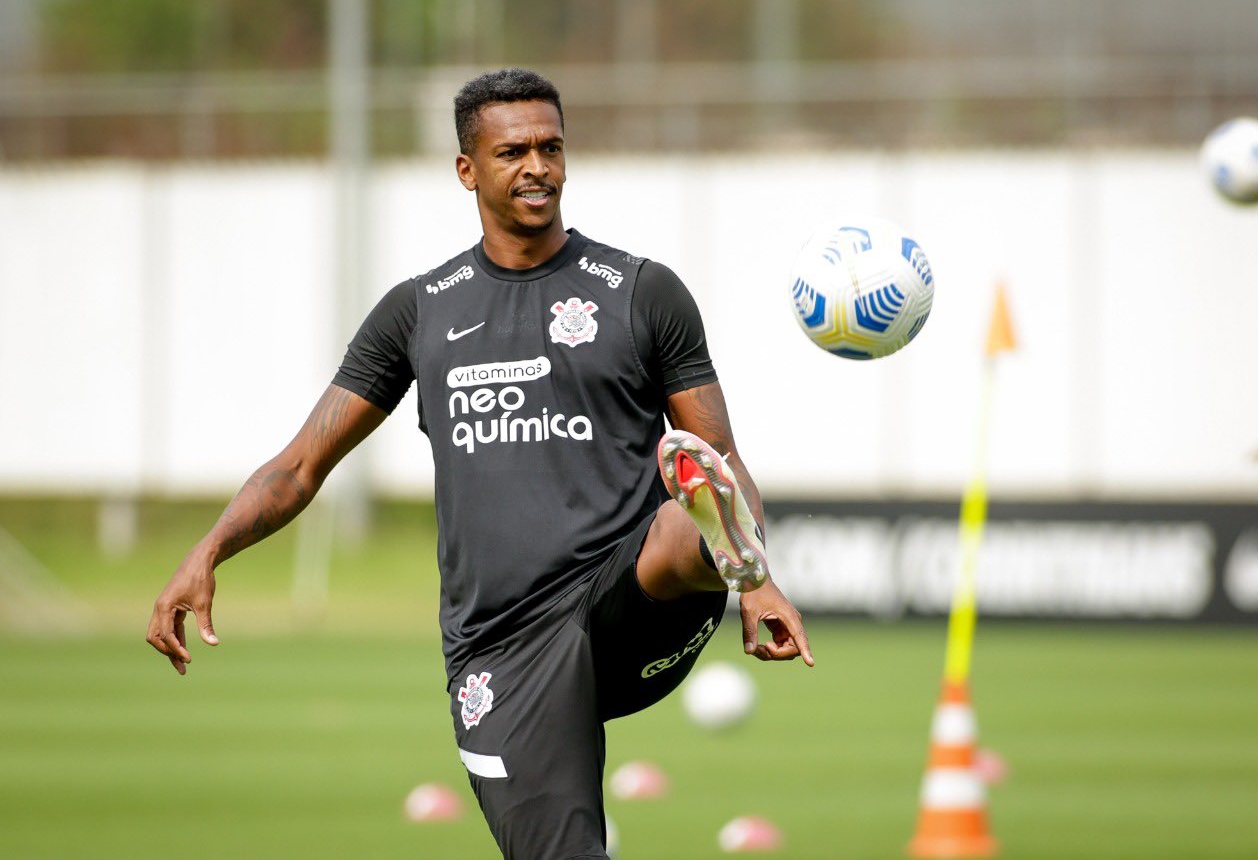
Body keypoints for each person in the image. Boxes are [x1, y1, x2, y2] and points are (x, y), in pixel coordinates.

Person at [146, 67, 813, 859]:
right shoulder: (420, 311)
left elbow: (720, 459)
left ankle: (723, 562)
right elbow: (300, 466)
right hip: (500, 641)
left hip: (625, 591)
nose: (538, 166)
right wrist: (209, 548)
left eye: (551, 147)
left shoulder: (641, 293)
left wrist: (757, 580)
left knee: (681, 510)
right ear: (468, 169)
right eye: (513, 152)